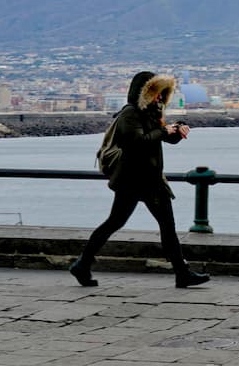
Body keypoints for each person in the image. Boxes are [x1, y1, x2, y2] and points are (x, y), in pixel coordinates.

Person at [69, 71, 210, 288]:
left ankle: (83, 264)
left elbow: (162, 138)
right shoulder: (130, 113)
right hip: (134, 179)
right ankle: (82, 263)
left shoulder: (152, 113)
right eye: (156, 93)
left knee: (138, 223)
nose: (160, 98)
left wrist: (177, 130)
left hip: (149, 178)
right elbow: (135, 142)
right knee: (121, 222)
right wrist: (164, 131)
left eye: (162, 94)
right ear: (145, 93)